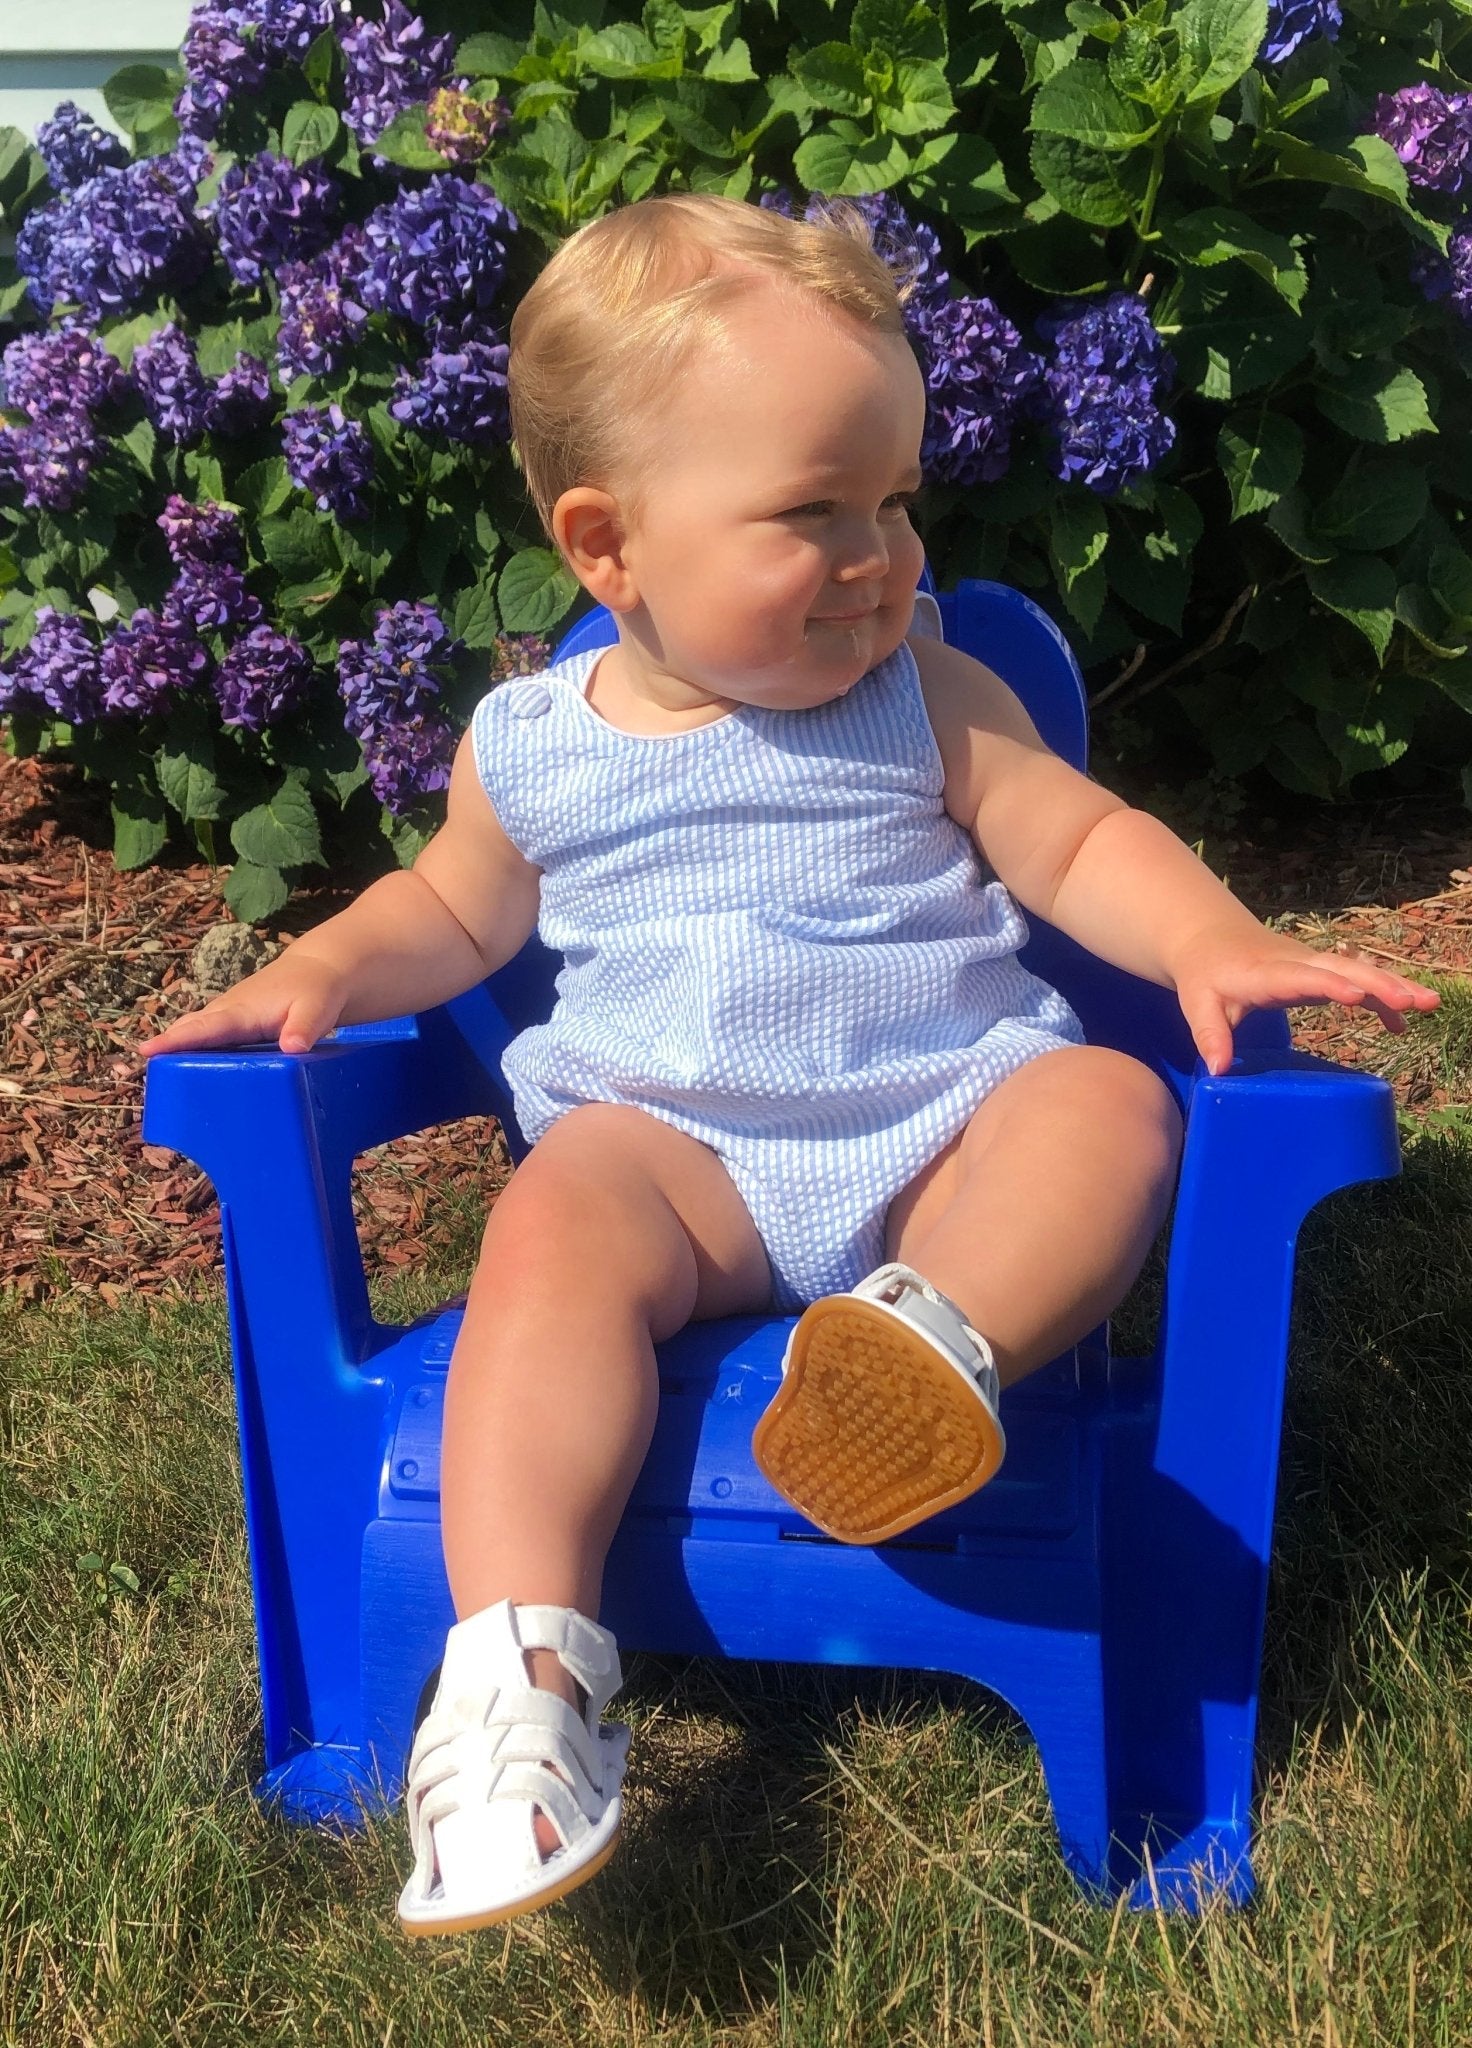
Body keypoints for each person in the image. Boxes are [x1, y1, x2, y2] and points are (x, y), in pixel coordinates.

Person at [139, 192, 1438, 1936]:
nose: (880, 554)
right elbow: (443, 916)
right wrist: (309, 973)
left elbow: (1076, 843)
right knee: (551, 1226)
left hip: (937, 1135)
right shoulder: (533, 745)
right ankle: (523, 1680)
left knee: (1103, 1106)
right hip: (672, 1160)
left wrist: (1209, 938)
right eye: (812, 514)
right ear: (609, 547)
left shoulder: (931, 690)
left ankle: (922, 1346)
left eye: (894, 501)